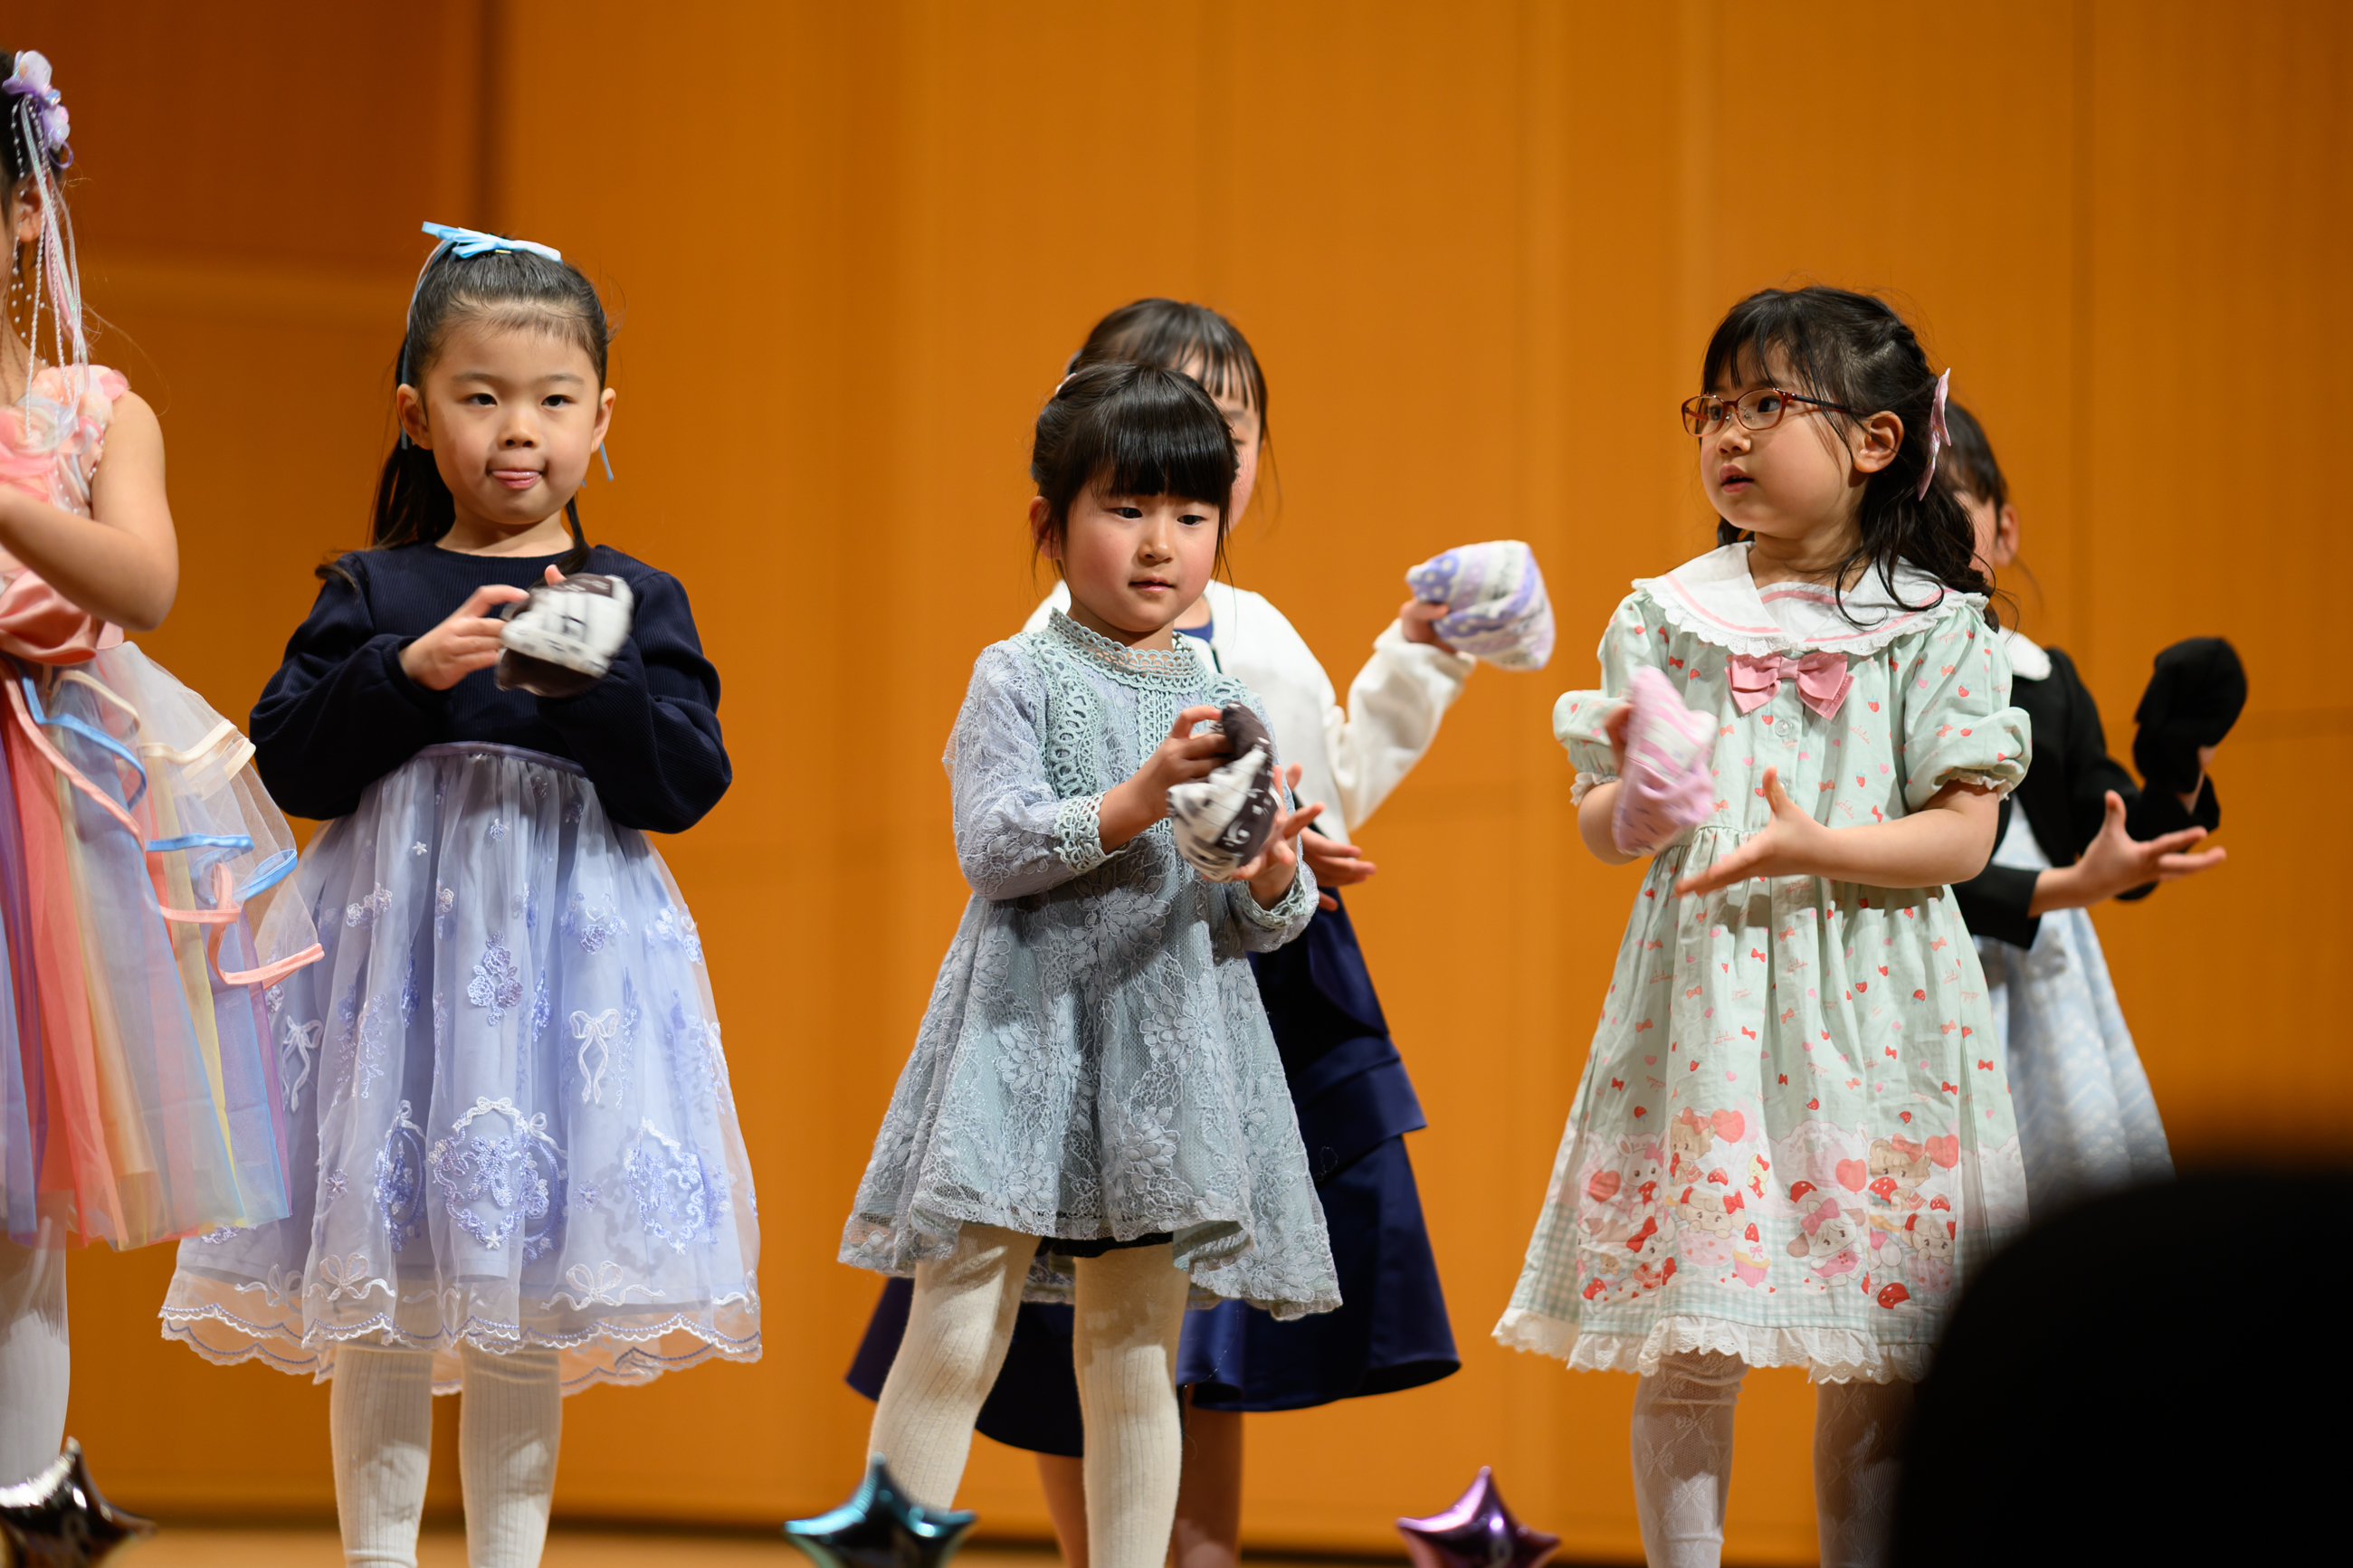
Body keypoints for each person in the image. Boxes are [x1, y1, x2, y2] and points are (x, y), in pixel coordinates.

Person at [158, 223, 759, 1568]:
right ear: (415, 411)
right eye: (480, 396)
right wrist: (406, 673)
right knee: (378, 1276)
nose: (518, 431)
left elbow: (687, 779)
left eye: (552, 400)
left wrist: (591, 686)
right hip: (399, 974)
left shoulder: (635, 595)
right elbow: (293, 761)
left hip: (566, 975)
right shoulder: (374, 588)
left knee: (521, 1286)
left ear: (605, 416)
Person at [847, 299, 1473, 1568]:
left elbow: (1257, 903)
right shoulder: (1019, 669)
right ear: (1055, 513)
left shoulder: (1226, 685)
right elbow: (997, 845)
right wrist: (1138, 804)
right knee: (961, 1320)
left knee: (1142, 1343)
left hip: (1173, 1047)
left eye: (1192, 511)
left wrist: (1274, 873)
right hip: (1031, 1043)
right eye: (1129, 507)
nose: (1161, 542)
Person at [1495, 286, 2031, 1568]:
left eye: (1766, 405)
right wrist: (1632, 803)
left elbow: (1965, 835)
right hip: (1710, 1010)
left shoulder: (1937, 625)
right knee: (1691, 1344)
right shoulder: (1667, 616)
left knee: (1882, 1350)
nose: (1728, 433)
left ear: (1877, 442)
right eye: (1713, 408)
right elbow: (1600, 821)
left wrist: (1816, 846)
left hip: (1885, 1013)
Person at [0, 45, 319, 1489]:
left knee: (16, 1208)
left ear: (23, 214)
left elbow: (141, 580)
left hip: (43, 819)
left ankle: (22, 1491)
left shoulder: (91, 409)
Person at [1940, 402, 2226, 1212]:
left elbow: (2115, 840)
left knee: (2065, 1220)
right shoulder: (1877, 685)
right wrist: (2062, 890)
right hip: (1926, 980)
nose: (1928, 533)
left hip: (2047, 982)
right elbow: (1912, 868)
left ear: (2005, 530)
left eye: (1952, 506)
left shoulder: (2046, 677)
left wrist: (2178, 775)